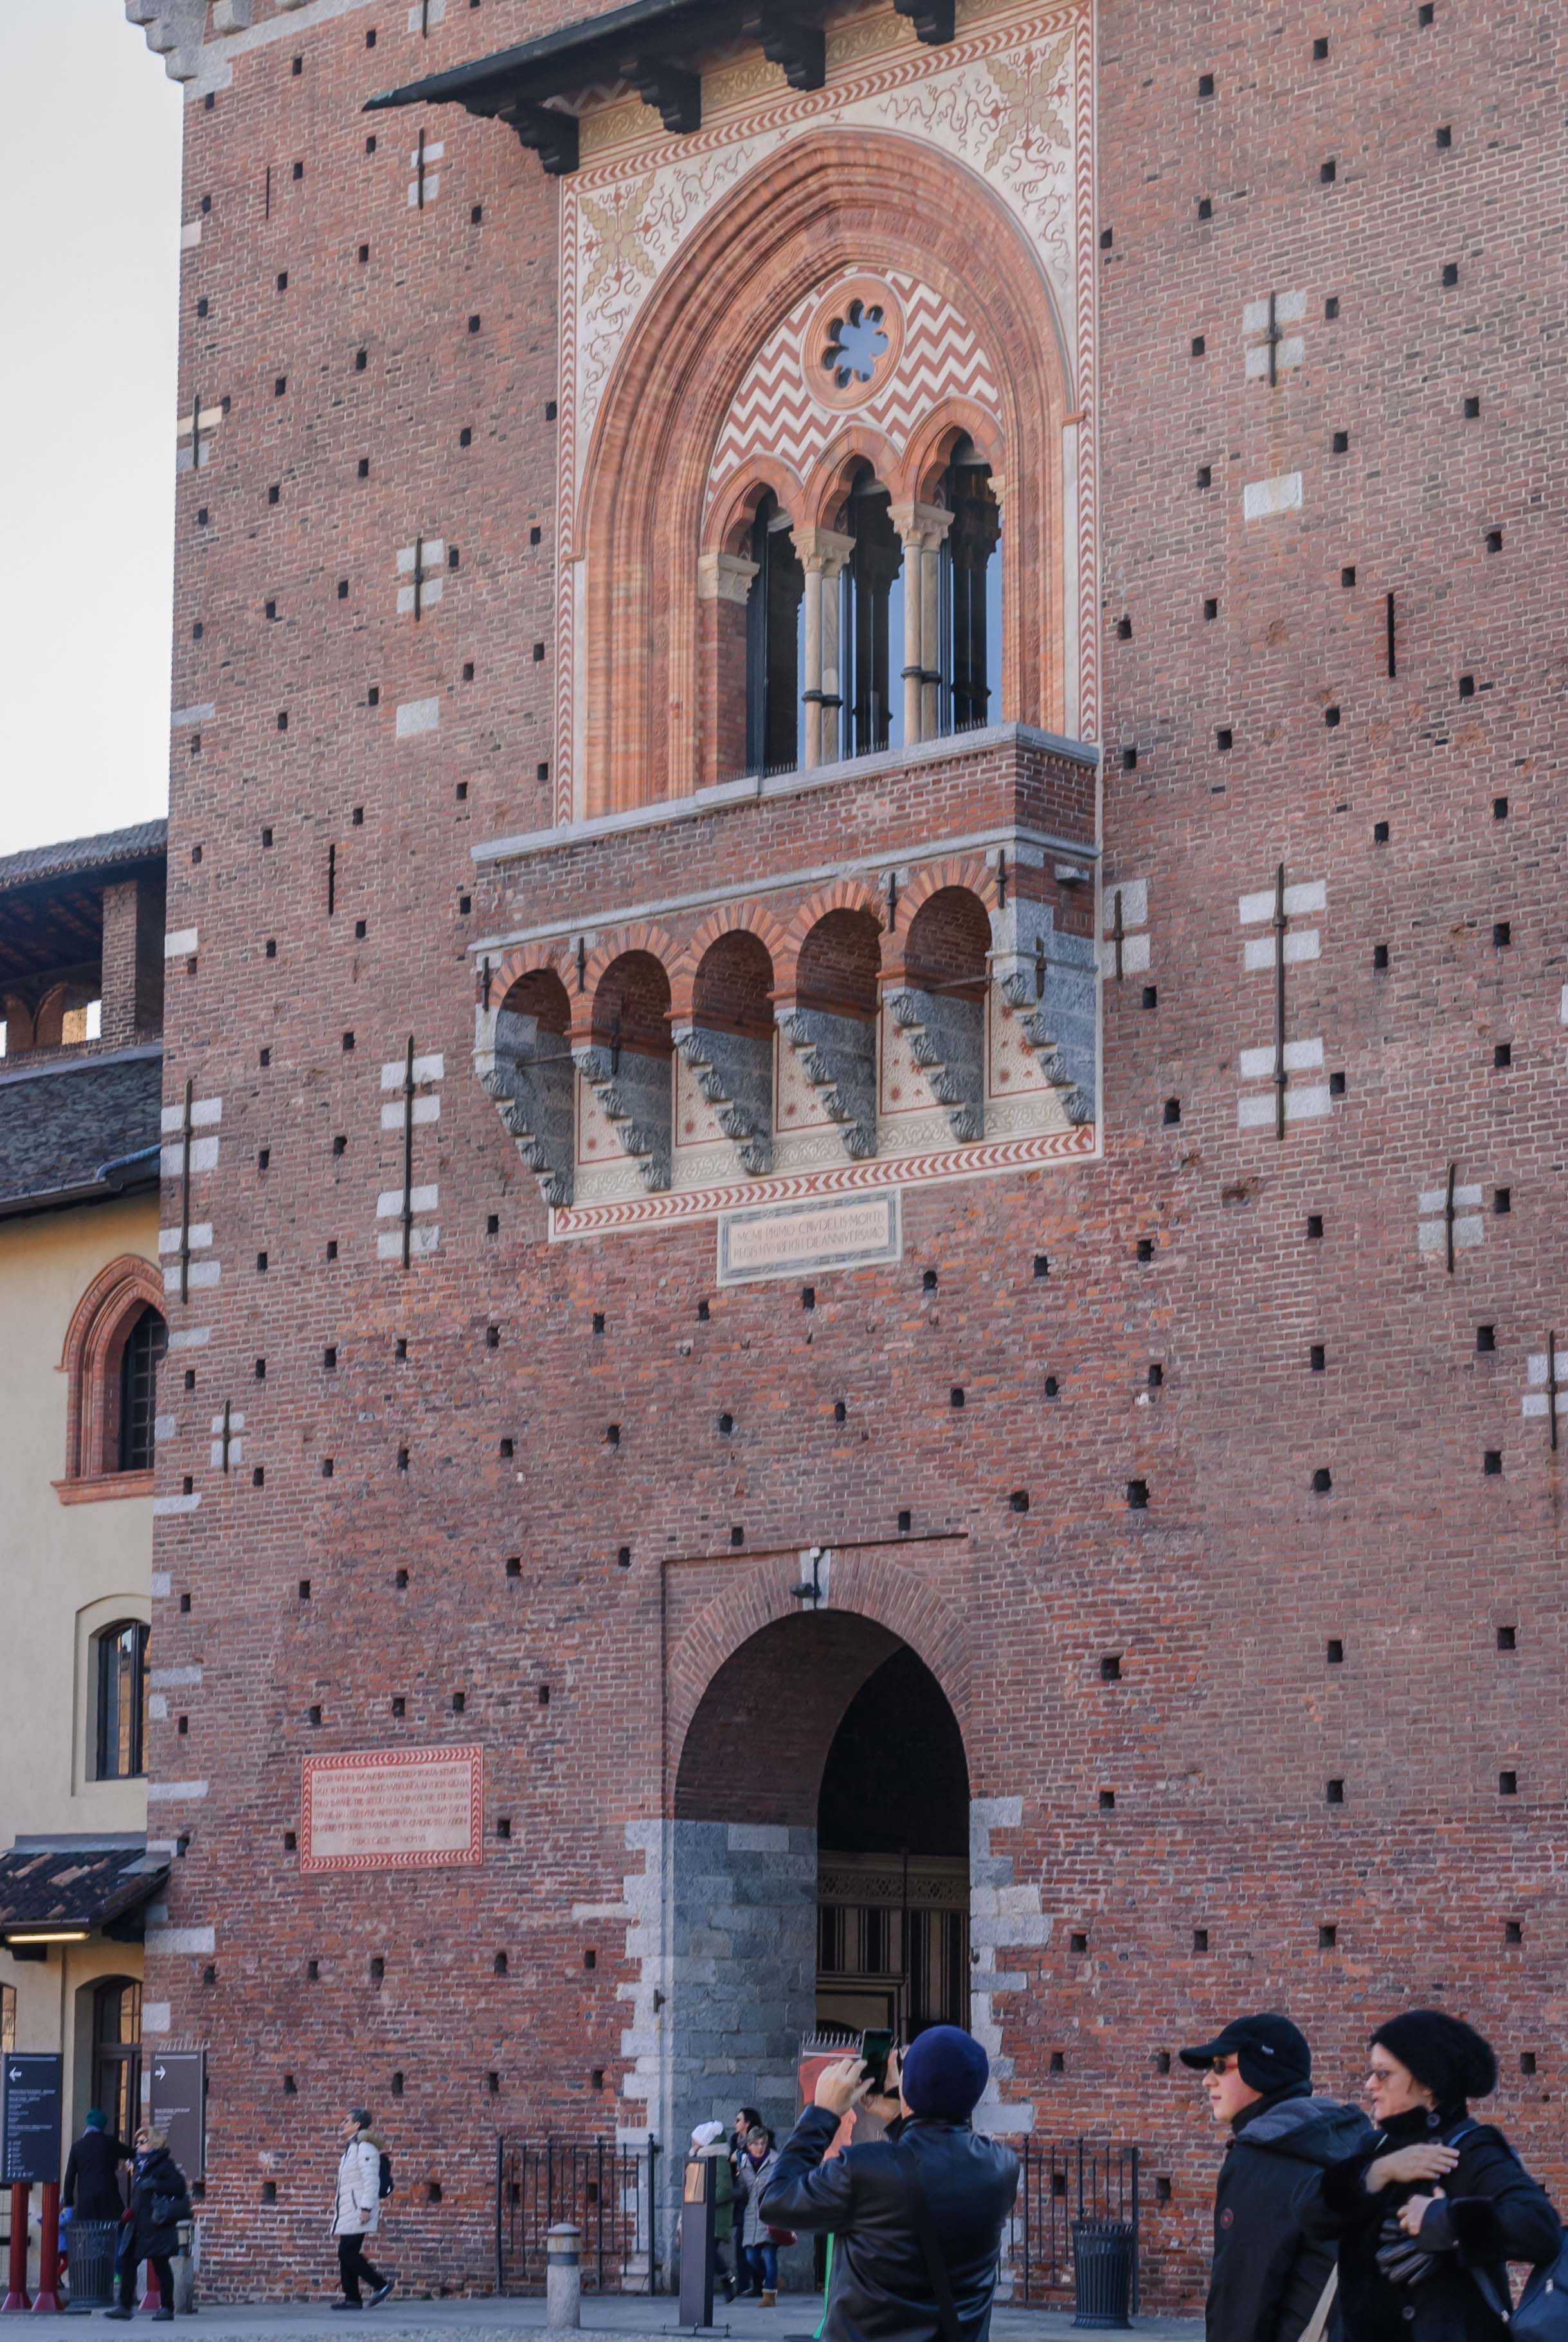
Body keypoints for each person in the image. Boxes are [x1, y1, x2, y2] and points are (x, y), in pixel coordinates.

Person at [1306, 2010, 1560, 2342]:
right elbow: (1309, 2215)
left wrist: (1442, 2221)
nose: (1370, 2085)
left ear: (1427, 2084)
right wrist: (1378, 2172)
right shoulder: (1375, 2147)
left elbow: (1540, 2227)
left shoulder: (1471, 2150)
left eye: (1384, 2074)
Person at [761, 2026, 1019, 2342]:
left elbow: (775, 2201)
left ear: (907, 2088)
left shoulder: (863, 2168)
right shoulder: (1002, 2167)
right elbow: (929, 2168)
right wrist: (902, 2120)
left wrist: (821, 2114)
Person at [1179, 2012, 1372, 2341]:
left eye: (1221, 2066)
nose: (1207, 2080)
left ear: (1261, 2070)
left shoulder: (1262, 2157)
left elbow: (1242, 2300)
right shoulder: (1339, 2140)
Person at [102, 2126, 192, 2323]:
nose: (137, 2146)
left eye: (142, 2142)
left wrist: (155, 2184)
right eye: (137, 2142)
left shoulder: (164, 2165)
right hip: (138, 2223)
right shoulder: (140, 2165)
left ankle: (167, 2307)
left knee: (160, 2265)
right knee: (128, 2261)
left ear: (154, 2143)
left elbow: (179, 2187)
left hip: (156, 2223)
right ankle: (125, 2306)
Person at [330, 2110, 394, 2310]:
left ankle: (380, 2285)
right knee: (345, 2253)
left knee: (347, 2252)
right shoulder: (352, 2147)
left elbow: (371, 2181)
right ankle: (352, 2298)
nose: (343, 2124)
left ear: (357, 2125)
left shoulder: (365, 2148)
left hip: (359, 2209)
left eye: (347, 2121)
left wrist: (366, 2208)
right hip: (350, 2209)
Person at [734, 2123, 783, 2304]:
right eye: (756, 2144)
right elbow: (742, 2189)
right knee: (751, 2258)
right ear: (749, 2145)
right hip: (751, 2218)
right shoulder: (744, 2164)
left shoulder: (776, 2161)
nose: (760, 2147)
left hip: (771, 2215)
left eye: (763, 2143)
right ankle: (772, 2279)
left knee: (769, 2257)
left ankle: (769, 2296)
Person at [690, 2121, 737, 2303]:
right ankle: (722, 2281)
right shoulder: (703, 2158)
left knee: (708, 2251)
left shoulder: (717, 2160)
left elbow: (724, 2190)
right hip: (706, 2214)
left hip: (716, 2216)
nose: (693, 2143)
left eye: (696, 2140)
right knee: (705, 2251)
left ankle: (727, 2279)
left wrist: (704, 2201)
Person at [62, 2108, 129, 2223]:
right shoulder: (110, 2143)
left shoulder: (77, 2147)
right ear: (103, 2125)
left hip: (86, 2202)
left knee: (89, 2233)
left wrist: (69, 2204)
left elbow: (69, 2177)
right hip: (109, 2200)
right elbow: (130, 2153)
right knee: (113, 2232)